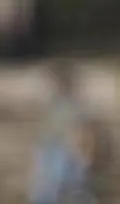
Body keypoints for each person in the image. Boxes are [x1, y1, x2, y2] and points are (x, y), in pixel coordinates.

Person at [27, 59, 102, 204]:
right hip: (54, 155)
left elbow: (86, 135)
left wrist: (85, 156)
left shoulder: (78, 108)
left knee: (67, 188)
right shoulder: (54, 106)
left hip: (67, 155)